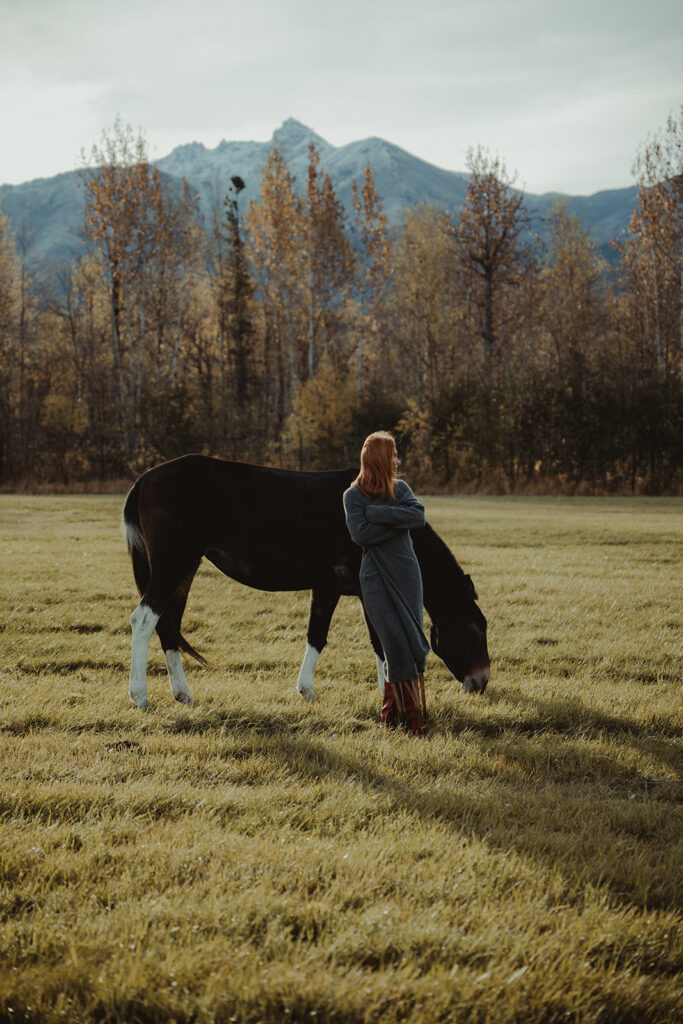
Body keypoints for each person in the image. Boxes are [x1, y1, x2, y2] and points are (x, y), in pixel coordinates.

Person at [343, 431, 430, 735]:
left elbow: (417, 517)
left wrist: (377, 514)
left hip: (406, 574)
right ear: (380, 459)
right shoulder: (353, 496)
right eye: (393, 455)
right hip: (375, 577)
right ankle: (408, 717)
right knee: (393, 642)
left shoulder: (400, 488)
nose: (397, 460)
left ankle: (395, 718)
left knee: (408, 639)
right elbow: (360, 535)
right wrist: (396, 523)